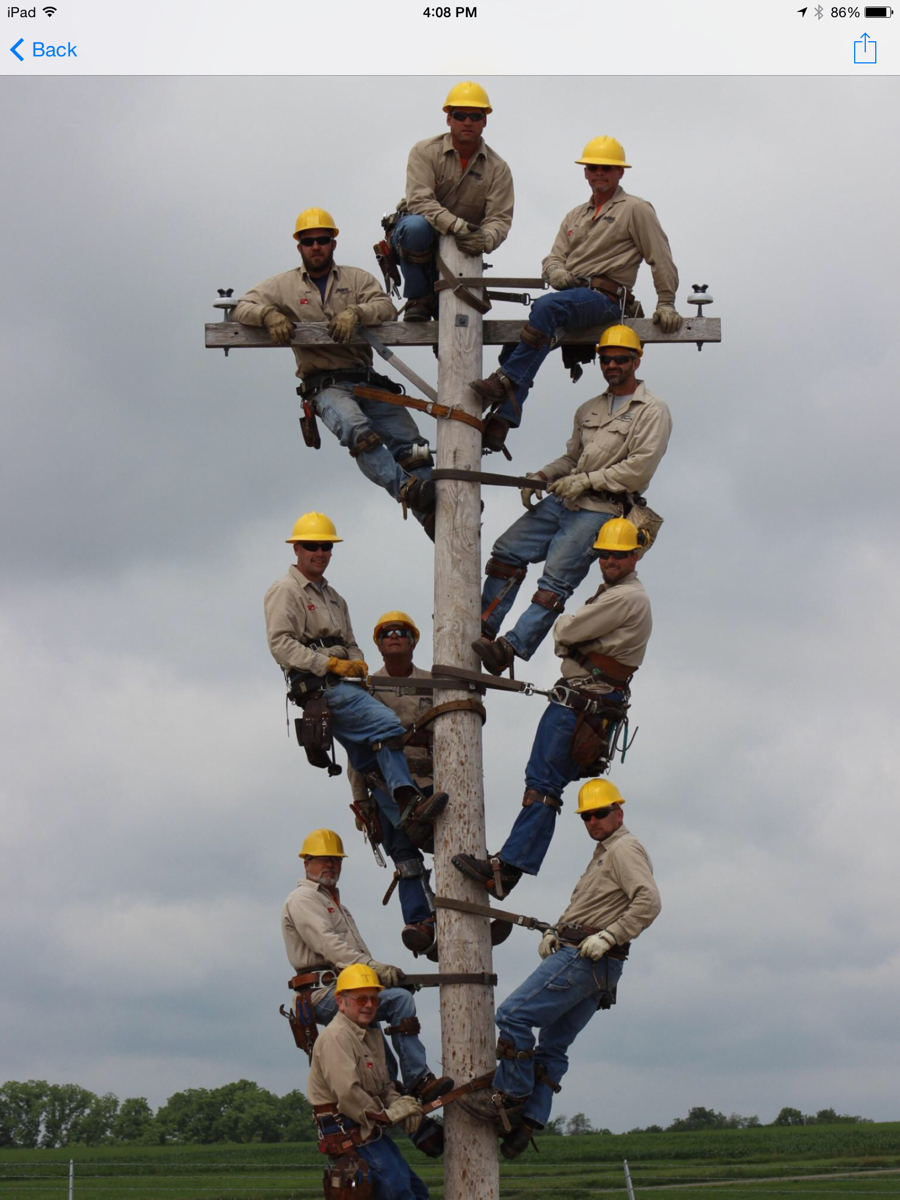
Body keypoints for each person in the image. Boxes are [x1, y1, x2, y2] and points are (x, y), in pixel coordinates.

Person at [460, 780, 661, 1160]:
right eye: (586, 816)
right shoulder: (606, 852)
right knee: (554, 1045)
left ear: (619, 812)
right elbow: (591, 906)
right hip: (600, 965)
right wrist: (555, 929)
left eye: (600, 813)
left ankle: (510, 1098)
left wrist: (610, 935)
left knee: (513, 1016)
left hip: (585, 957)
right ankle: (528, 1122)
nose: (593, 821)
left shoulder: (624, 848)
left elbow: (648, 900)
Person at [454, 519, 652, 897]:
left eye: (619, 555)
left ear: (634, 557)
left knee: (543, 784)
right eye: (605, 554)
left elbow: (565, 631)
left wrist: (566, 630)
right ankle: (508, 866)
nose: (610, 561)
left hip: (579, 704)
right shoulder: (619, 594)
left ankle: (507, 869)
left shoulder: (625, 598)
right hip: (588, 705)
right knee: (545, 784)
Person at [472, 327, 670, 677]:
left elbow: (639, 468)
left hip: (602, 507)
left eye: (620, 359)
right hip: (566, 500)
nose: (611, 365)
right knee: (507, 551)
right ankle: (484, 625)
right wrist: (543, 475)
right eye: (605, 359)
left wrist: (586, 481)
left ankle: (509, 649)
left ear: (636, 361)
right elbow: (572, 459)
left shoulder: (652, 410)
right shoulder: (589, 408)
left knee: (555, 582)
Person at [469, 137, 680, 452]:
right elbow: (553, 257)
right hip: (573, 297)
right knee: (513, 348)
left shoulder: (635, 209)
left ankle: (505, 382)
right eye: (593, 168)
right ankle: (504, 417)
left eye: (606, 168)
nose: (599, 173)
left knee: (546, 308)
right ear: (585, 172)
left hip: (606, 299)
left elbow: (660, 256)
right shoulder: (575, 216)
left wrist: (666, 301)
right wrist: (555, 271)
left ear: (620, 172)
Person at [232, 207, 435, 529]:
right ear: (299, 246)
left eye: (322, 240)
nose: (316, 246)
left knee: (415, 447)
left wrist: (356, 313)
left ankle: (437, 514)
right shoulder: (284, 285)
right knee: (356, 429)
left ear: (333, 243)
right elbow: (243, 307)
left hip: (367, 381)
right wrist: (268, 315)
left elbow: (384, 307)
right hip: (325, 386)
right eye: (308, 241)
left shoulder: (356, 280)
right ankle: (407, 489)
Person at [264, 512, 449, 852]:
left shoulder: (335, 598)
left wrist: (356, 662)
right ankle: (408, 799)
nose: (320, 553)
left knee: (368, 764)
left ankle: (407, 821)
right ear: (297, 549)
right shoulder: (285, 590)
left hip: (344, 683)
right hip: (321, 688)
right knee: (388, 725)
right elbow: (281, 645)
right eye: (312, 546)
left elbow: (351, 643)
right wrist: (328, 663)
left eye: (326, 547)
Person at [284, 829, 452, 1112]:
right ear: (306, 863)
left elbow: (355, 953)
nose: (331, 865)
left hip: (347, 988)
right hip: (322, 992)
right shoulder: (303, 899)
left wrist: (377, 979)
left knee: (383, 1066)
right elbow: (329, 944)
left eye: (336, 860)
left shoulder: (338, 906)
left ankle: (404, 1113)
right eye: (324, 859)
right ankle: (418, 1079)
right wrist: (373, 970)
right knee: (399, 1001)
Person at [348, 611, 438, 955]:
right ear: (379, 645)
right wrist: (362, 803)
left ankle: (467, 913)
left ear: (413, 641)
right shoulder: (367, 688)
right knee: (404, 856)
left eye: (401, 632)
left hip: (432, 783)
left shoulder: (436, 682)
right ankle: (421, 923)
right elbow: (356, 750)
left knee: (455, 848)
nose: (394, 636)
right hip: (387, 788)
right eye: (387, 633)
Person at [390, 80, 514, 321]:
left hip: (461, 249)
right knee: (416, 226)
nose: (467, 122)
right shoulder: (425, 151)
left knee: (456, 325)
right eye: (460, 115)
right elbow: (419, 201)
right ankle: (418, 297)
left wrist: (485, 239)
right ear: (449, 119)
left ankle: (448, 316)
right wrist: (456, 225)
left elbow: (499, 218)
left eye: (475, 116)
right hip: (419, 238)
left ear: (484, 121)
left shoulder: (498, 169)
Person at [307, 962, 432, 1198]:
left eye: (374, 999)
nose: (369, 1005)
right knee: (398, 1193)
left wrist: (398, 1103)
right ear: (341, 1002)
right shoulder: (336, 1037)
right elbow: (348, 1093)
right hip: (347, 1128)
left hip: (367, 1128)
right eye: (361, 999)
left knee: (417, 1192)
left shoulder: (369, 1036)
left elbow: (383, 1086)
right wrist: (388, 1115)